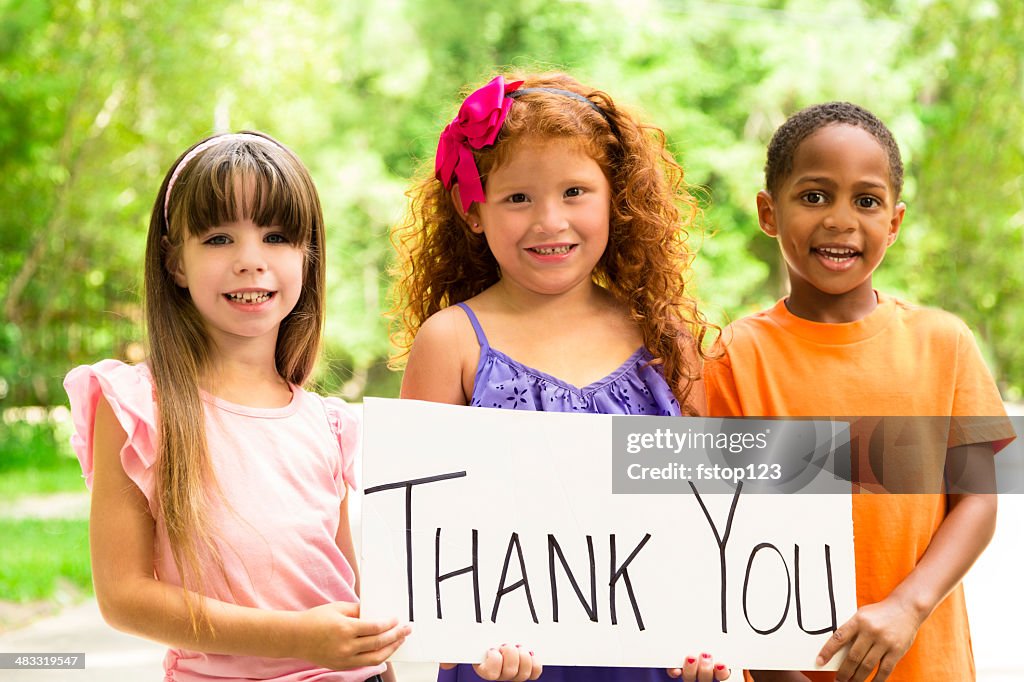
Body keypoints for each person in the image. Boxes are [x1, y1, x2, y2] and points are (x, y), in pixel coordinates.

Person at [390, 72, 730, 682]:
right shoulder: (451, 342)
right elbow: (426, 539)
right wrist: (466, 643)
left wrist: (708, 645)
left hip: (649, 662)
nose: (550, 221)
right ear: (474, 211)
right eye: (518, 198)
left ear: (615, 199)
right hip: (507, 664)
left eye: (575, 191)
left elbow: (701, 520)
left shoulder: (665, 337)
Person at [64, 131, 410, 682]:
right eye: (220, 238)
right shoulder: (139, 409)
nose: (251, 261)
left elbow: (353, 591)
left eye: (276, 236)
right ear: (176, 262)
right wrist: (297, 637)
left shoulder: (330, 426)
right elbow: (123, 597)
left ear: (306, 257)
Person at [704, 102, 1016, 682]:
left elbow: (977, 501)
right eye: (815, 196)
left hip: (929, 665)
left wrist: (908, 606)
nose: (840, 220)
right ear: (769, 213)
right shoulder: (732, 360)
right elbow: (726, 532)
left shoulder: (943, 344)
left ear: (894, 223)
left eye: (866, 201)